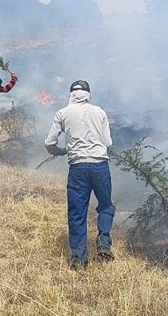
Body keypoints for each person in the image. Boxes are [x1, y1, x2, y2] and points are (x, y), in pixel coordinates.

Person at [44, 80, 115, 268]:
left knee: (77, 212)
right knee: (106, 206)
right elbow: (108, 142)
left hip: (78, 168)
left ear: (71, 94)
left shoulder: (62, 113)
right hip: (100, 165)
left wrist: (60, 151)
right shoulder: (99, 112)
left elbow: (49, 143)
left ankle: (78, 257)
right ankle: (103, 242)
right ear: (88, 94)